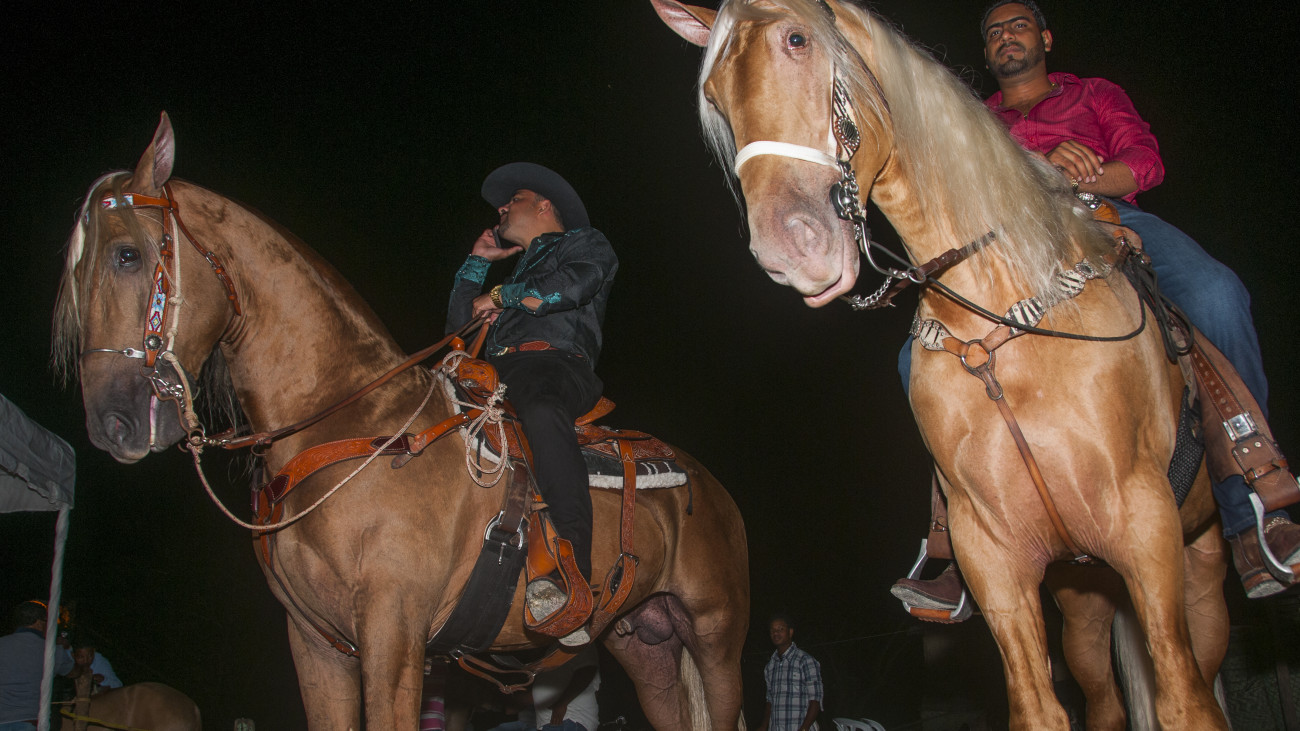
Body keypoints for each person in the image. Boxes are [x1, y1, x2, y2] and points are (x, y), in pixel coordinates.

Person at [891, 0, 1300, 615]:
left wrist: (1080, 179)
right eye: (995, 31)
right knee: (913, 359)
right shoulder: (974, 120)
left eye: (1019, 25)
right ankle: (957, 547)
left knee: (1217, 293)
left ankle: (1255, 508)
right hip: (1012, 243)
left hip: (1107, 218)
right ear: (987, 52)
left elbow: (1144, 163)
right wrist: (1033, 174)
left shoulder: (1095, 94)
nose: (1007, 37)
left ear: (1046, 38)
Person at [446, 162, 618, 646]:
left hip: (555, 366)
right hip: (499, 375)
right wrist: (477, 264)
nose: (501, 208)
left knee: (541, 407)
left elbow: (576, 284)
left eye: (513, 199)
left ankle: (570, 573)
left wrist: (503, 295)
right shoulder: (514, 270)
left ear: (544, 206)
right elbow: (457, 329)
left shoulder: (585, 243)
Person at [0, 601, 87, 731]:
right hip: (28, 721)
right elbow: (75, 672)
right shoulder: (51, 651)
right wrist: (64, 649)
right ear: (39, 623)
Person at [756, 614, 822, 731]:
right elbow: (770, 700)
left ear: (790, 632)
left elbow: (815, 700)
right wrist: (764, 726)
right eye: (772, 630)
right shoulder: (770, 666)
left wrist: (804, 728)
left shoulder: (805, 660)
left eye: (780, 629)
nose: (776, 633)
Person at [530, 646, 600, 731]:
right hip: (553, 722)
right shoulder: (552, 650)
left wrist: (562, 703)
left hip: (568, 719)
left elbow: (586, 672)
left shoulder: (579, 643)